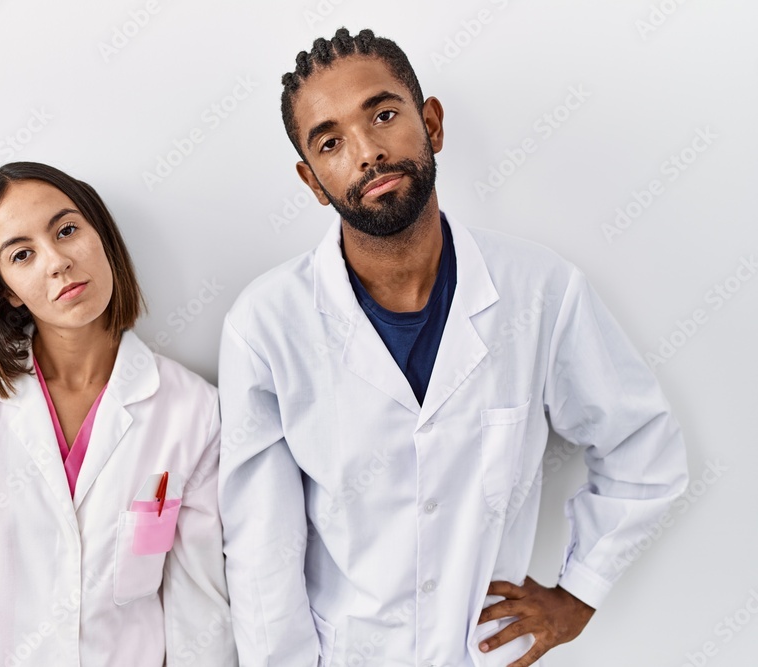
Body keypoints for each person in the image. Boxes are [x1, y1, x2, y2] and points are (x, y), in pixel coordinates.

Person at [217, 28, 688, 667]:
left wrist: (581, 592)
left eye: (384, 114)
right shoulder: (268, 324)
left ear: (431, 123)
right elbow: (260, 551)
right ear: (311, 179)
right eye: (331, 142)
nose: (368, 153)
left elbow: (643, 448)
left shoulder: (540, 291)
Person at [0, 161, 236, 666]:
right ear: (5, 289)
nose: (57, 261)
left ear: (100, 235)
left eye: (67, 230)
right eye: (22, 254)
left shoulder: (191, 411)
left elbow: (200, 616)